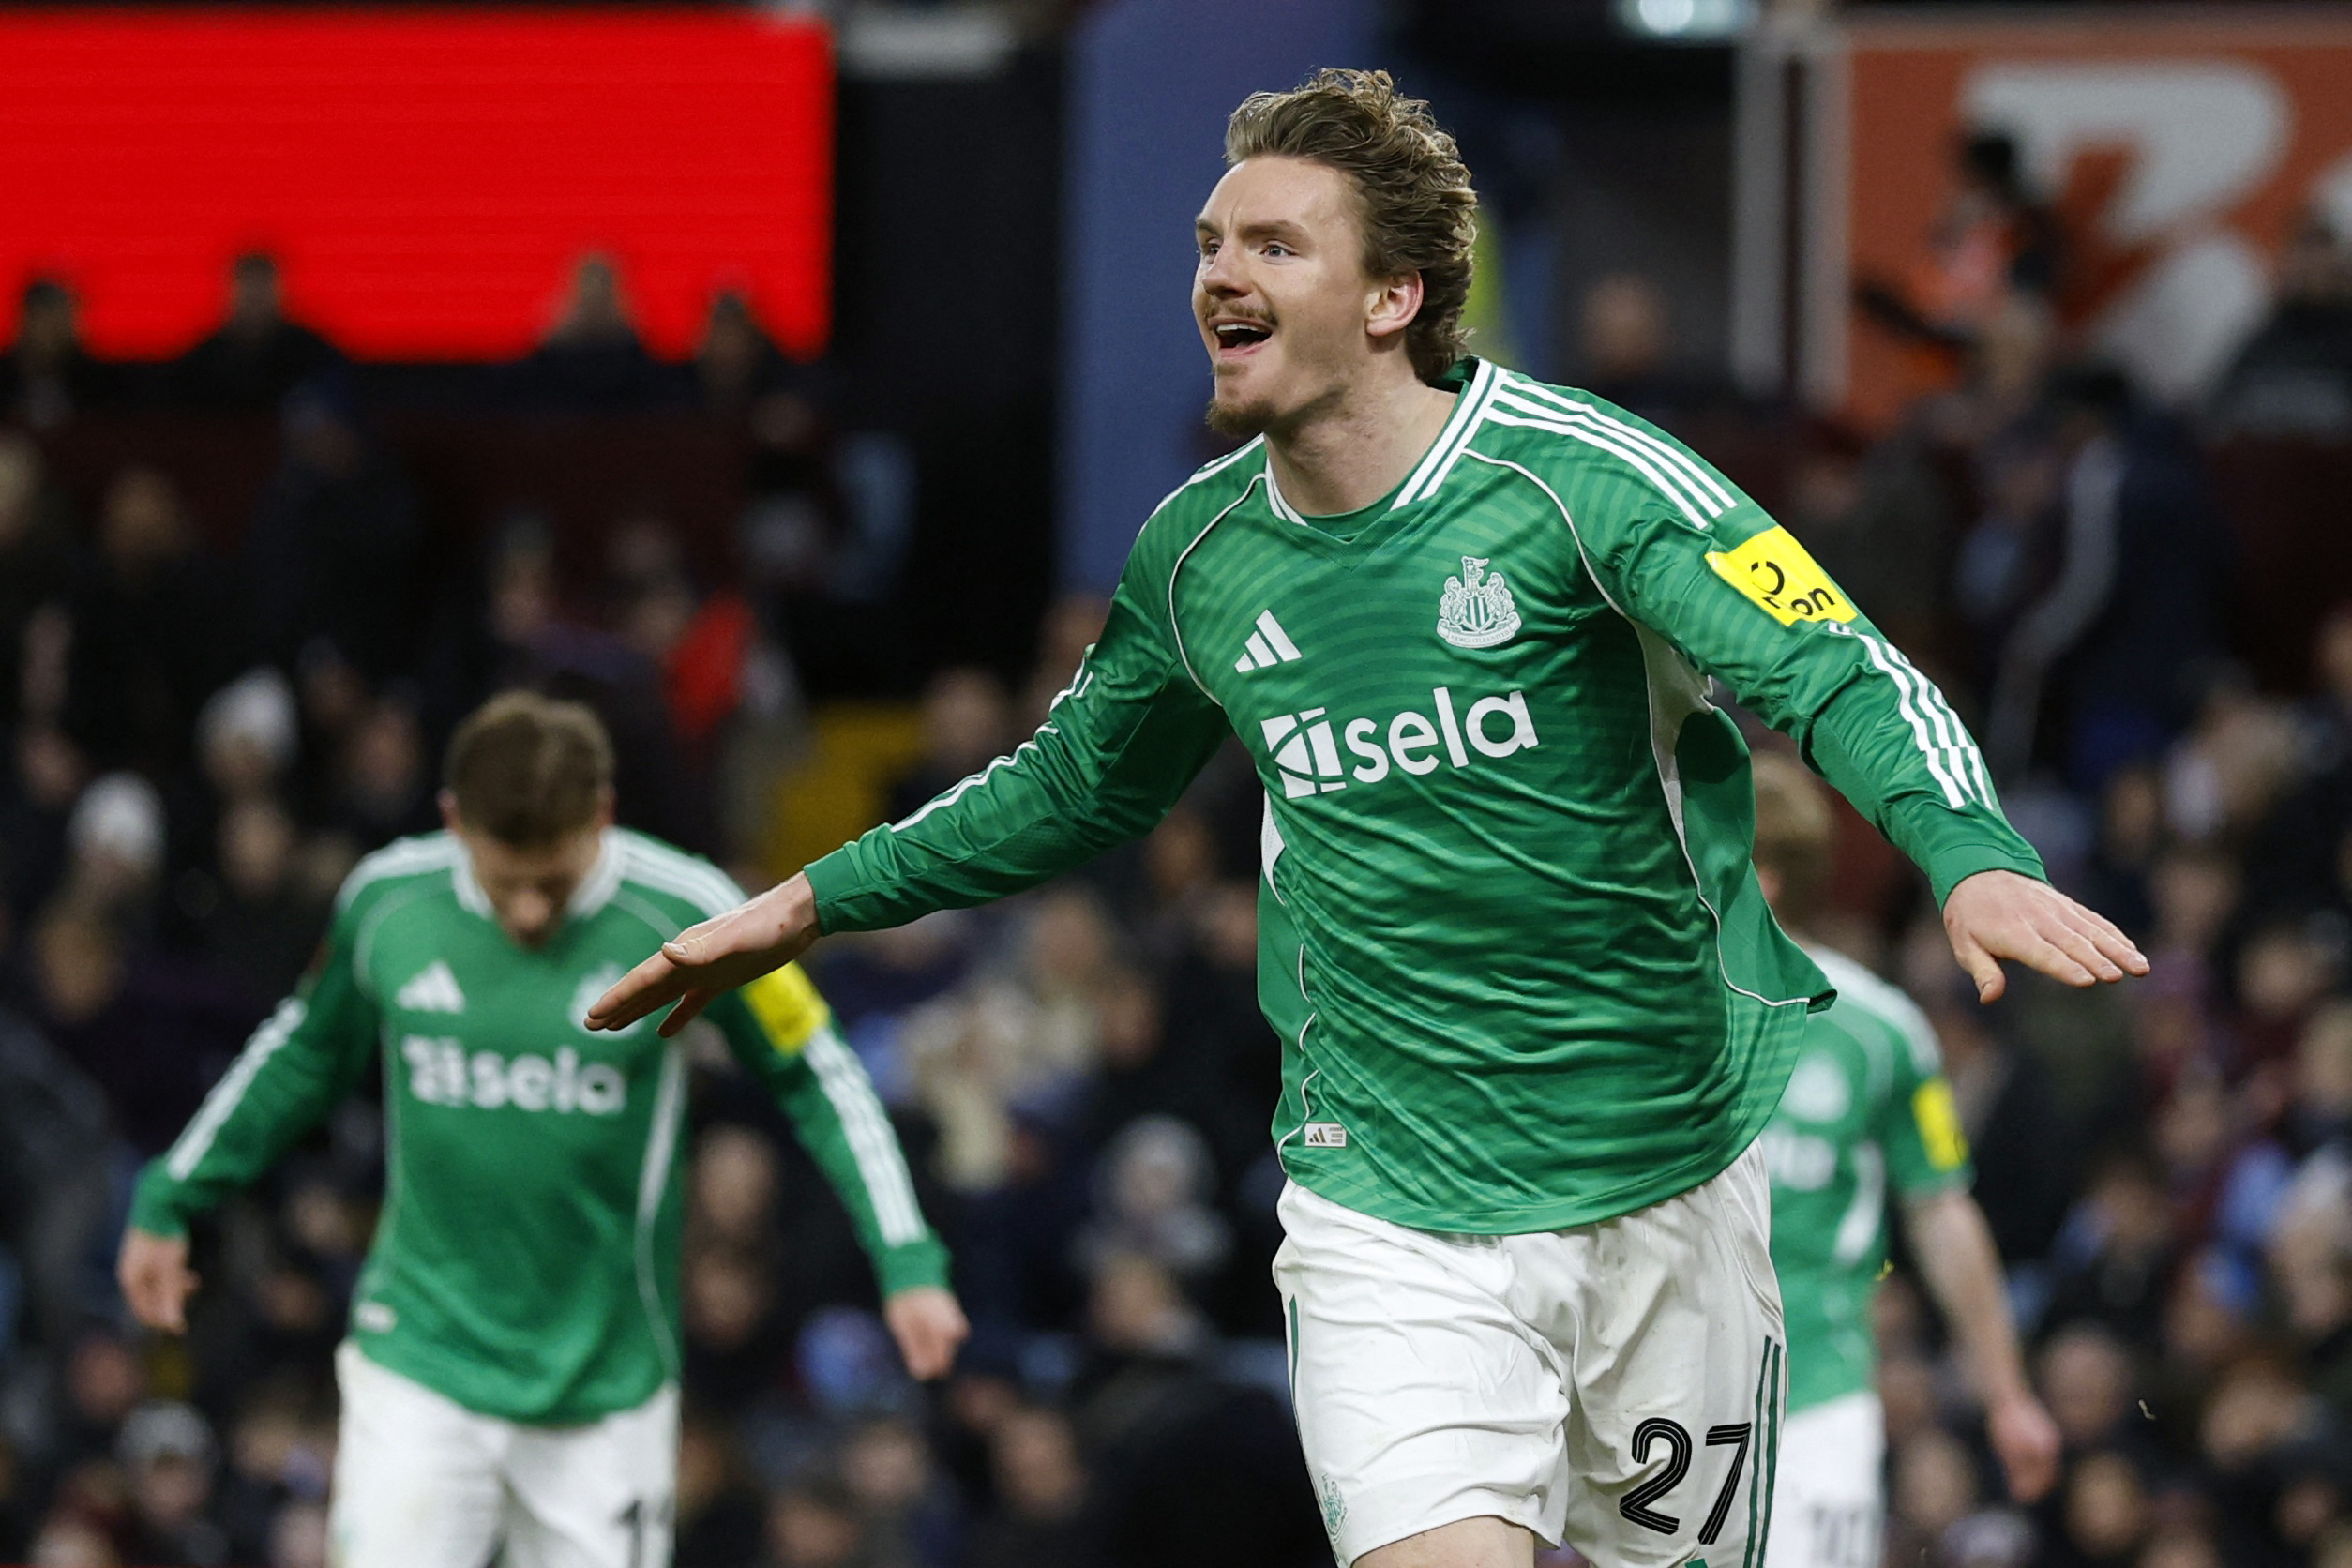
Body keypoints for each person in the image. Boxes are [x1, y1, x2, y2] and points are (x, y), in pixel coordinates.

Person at [589, 69, 2143, 1568]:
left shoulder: (1576, 483)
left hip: (1660, 1177)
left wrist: (1970, 854)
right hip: (1381, 1202)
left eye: (1271, 244)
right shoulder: (1196, 554)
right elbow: (1067, 786)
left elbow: (1831, 666)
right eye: (1206, 244)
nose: (1216, 276)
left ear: (1393, 296)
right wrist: (802, 903)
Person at [118, 692, 967, 1568]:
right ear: (454, 821)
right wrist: (174, 1192)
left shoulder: (686, 909)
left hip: (603, 1393)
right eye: (503, 880)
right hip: (421, 1363)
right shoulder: (387, 904)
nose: (527, 912)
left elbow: (816, 1071)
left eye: (552, 881)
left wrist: (904, 1255)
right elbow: (300, 1054)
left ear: (599, 817)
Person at [1746, 752, 2060, 1568]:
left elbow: (1942, 1209)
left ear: (1766, 877)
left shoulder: (1881, 1034)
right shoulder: (1640, 1019)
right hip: (1655, 1396)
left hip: (1817, 1398)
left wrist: (2007, 1395)